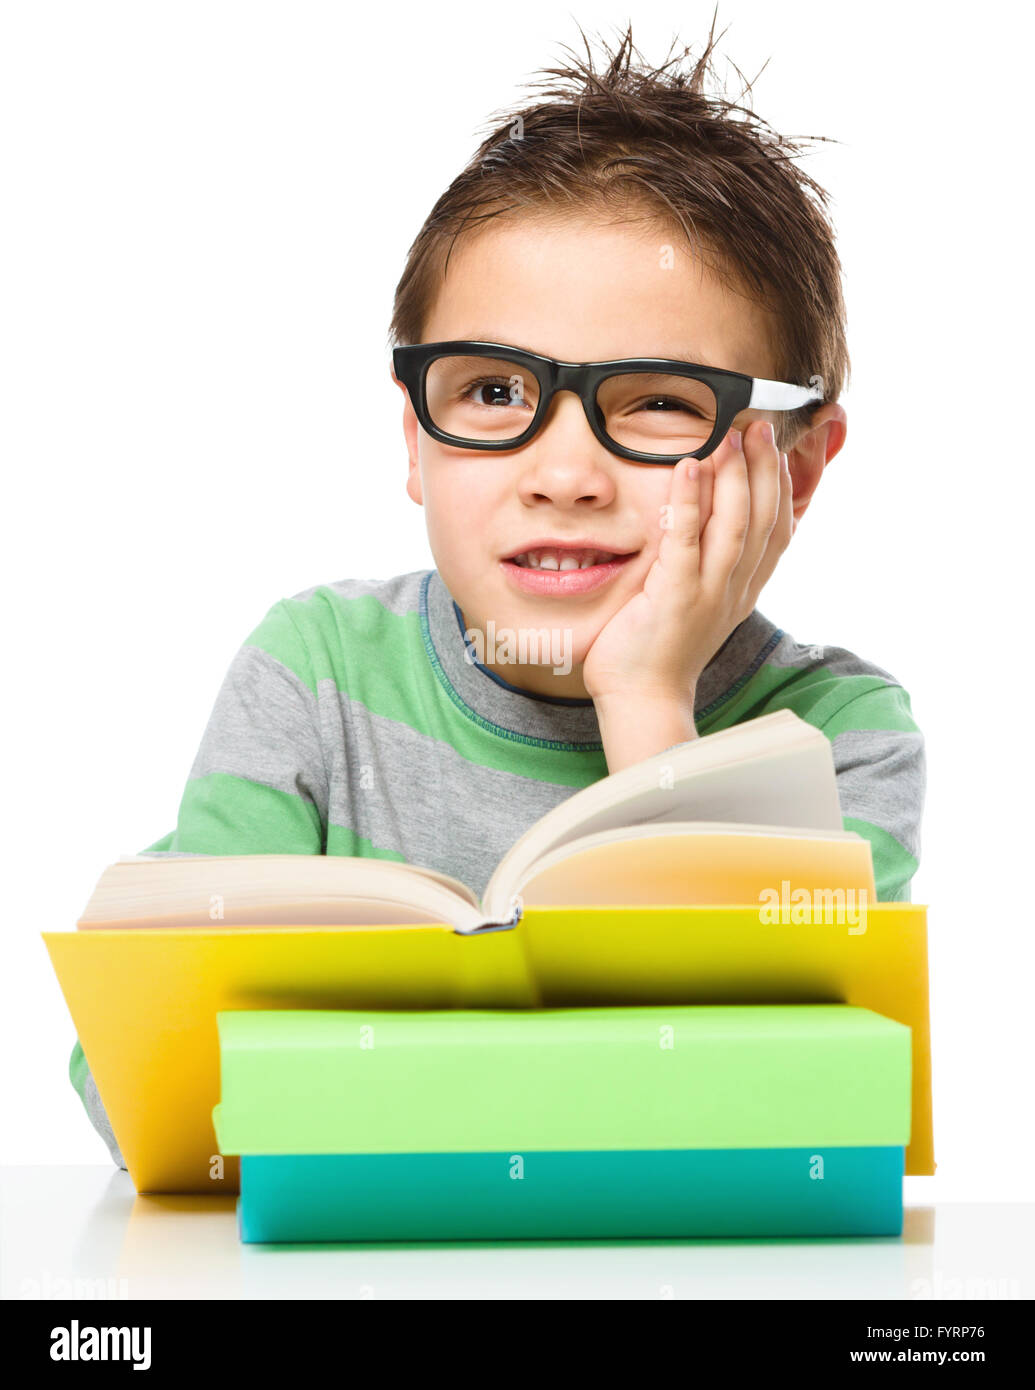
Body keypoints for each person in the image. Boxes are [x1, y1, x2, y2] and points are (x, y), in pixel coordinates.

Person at [71, 26, 926, 1169]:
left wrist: (648, 699)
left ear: (794, 468)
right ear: (415, 438)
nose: (562, 474)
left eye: (661, 402)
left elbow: (768, 1113)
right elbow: (154, 1099)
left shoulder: (841, 740)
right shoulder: (312, 673)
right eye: (491, 389)